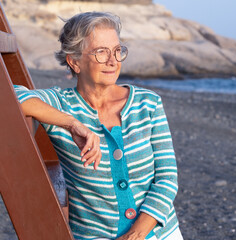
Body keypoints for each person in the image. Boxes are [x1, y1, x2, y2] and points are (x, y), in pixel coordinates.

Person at [14, 12, 183, 240]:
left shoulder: (147, 103)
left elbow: (167, 178)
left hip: (158, 233)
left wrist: (137, 233)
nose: (113, 61)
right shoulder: (60, 105)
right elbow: (10, 96)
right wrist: (71, 123)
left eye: (116, 50)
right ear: (74, 61)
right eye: (101, 52)